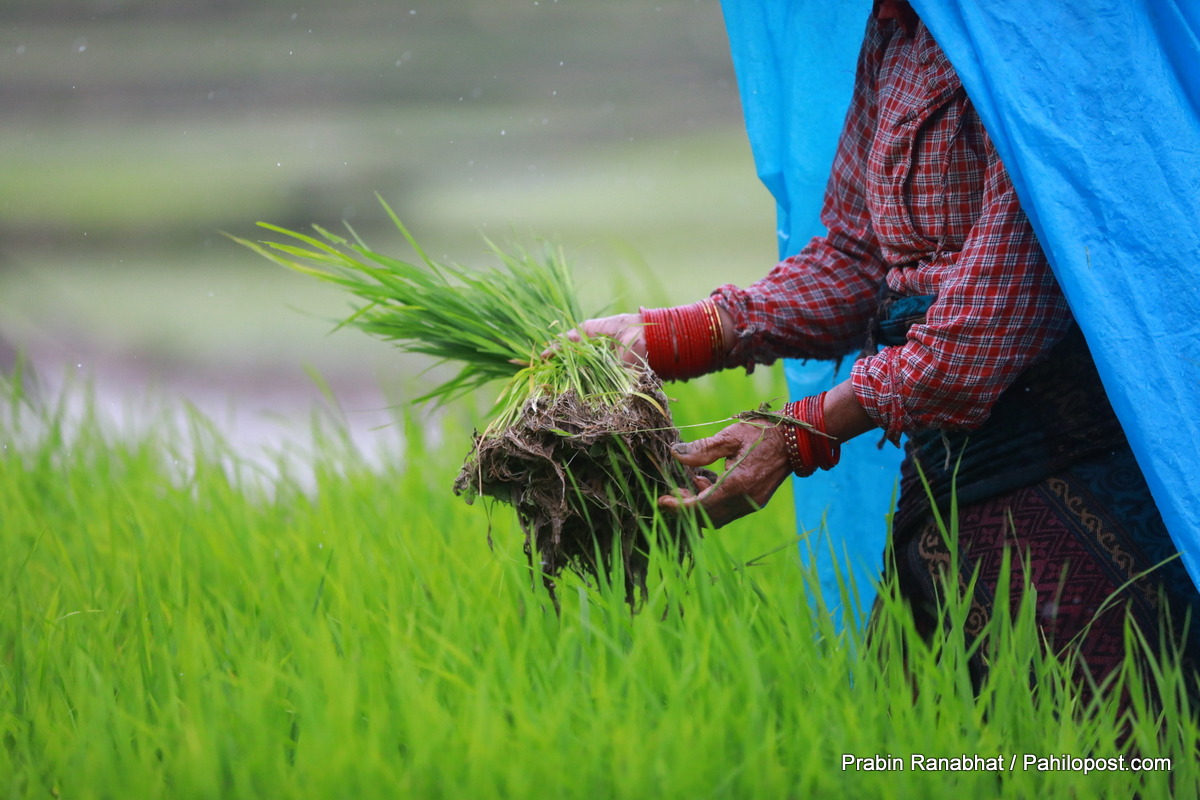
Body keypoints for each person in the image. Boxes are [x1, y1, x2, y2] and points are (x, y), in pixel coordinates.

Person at [572, 0, 1200, 699]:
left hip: (1061, 465)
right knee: (915, 740)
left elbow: (980, 339)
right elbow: (856, 259)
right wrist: (671, 335)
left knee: (1085, 745)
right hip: (942, 478)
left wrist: (795, 437)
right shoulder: (901, 30)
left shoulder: (1055, 30)